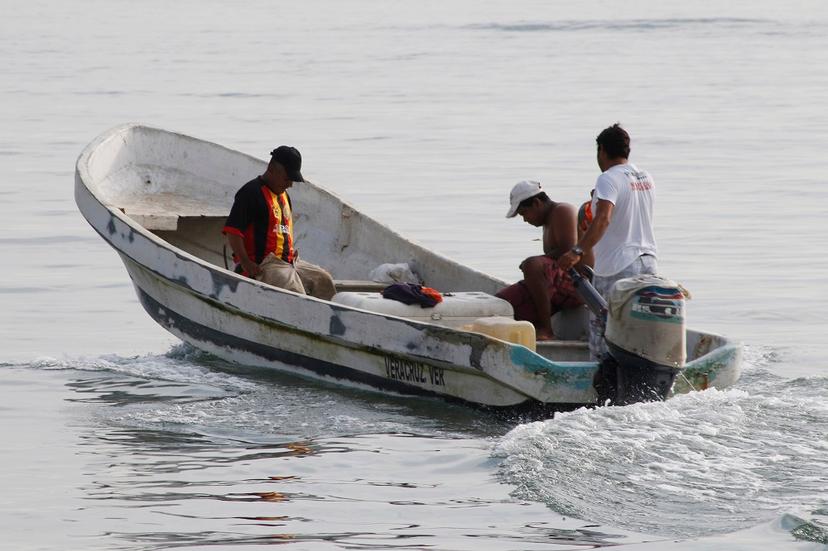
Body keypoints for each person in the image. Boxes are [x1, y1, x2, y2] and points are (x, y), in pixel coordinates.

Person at [558, 124, 658, 359]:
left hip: (618, 266)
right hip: (648, 263)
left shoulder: (607, 178)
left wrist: (577, 250)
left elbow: (603, 219)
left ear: (601, 150)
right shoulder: (645, 177)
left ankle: (601, 391)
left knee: (603, 332)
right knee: (635, 330)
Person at [222, 146, 336, 301]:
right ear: (271, 169)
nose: (290, 184)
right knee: (294, 291)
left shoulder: (284, 196)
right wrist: (246, 263)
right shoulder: (250, 192)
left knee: (324, 280)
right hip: (265, 264)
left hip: (290, 262)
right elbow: (233, 232)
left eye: (292, 180)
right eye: (287, 179)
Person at [495, 180, 587, 341]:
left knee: (532, 265)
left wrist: (532, 265)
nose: (525, 220)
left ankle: (546, 328)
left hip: (580, 283)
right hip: (560, 285)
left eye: (524, 213)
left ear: (537, 203)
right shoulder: (547, 222)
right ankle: (530, 329)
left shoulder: (562, 210)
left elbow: (568, 251)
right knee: (502, 302)